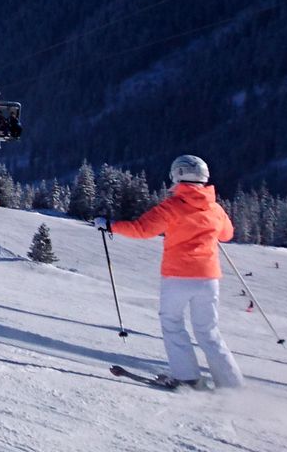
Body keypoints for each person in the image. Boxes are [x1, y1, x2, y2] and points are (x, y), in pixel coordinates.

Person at [97, 154, 245, 388]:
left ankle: (187, 377)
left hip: (178, 276)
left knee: (172, 323)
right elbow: (226, 235)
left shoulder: (173, 206)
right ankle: (232, 383)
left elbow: (142, 229)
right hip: (208, 278)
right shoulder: (215, 208)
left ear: (178, 175)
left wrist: (110, 225)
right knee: (208, 331)